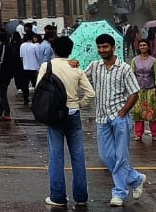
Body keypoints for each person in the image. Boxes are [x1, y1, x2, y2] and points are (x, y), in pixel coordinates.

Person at [85, 33, 147, 208]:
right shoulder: (95, 66)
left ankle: (119, 192)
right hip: (102, 117)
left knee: (121, 157)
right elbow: (82, 78)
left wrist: (123, 111)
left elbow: (134, 93)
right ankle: (135, 178)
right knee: (105, 156)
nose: (102, 50)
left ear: (113, 47)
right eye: (99, 47)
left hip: (119, 117)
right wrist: (72, 67)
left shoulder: (124, 68)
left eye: (105, 47)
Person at [39, 36, 96, 208]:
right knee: (78, 156)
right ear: (70, 50)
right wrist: (79, 103)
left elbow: (40, 90)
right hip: (73, 113)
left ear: (54, 50)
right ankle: (81, 196)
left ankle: (58, 196)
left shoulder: (46, 67)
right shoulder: (76, 69)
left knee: (56, 156)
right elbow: (91, 93)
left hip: (55, 115)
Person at [130, 38, 156, 140]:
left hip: (151, 89)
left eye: (144, 45)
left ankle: (154, 134)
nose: (143, 47)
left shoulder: (153, 60)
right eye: (141, 45)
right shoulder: (135, 60)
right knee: (138, 112)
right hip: (138, 90)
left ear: (148, 47)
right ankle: (138, 134)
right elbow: (132, 75)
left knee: (152, 112)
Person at [0, 29, 19, 120]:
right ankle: (0, 111)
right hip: (8, 73)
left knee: (2, 93)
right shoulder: (10, 47)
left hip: (1, 72)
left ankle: (7, 112)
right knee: (3, 91)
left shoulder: (1, 48)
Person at [20, 33, 43, 104]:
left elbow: (21, 57)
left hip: (25, 68)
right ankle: (37, 98)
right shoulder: (34, 46)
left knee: (25, 85)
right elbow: (38, 57)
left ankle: (25, 98)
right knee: (35, 84)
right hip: (34, 68)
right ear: (32, 38)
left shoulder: (22, 46)